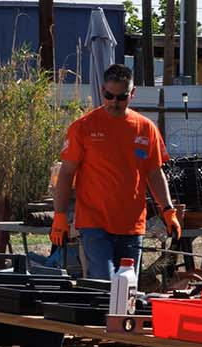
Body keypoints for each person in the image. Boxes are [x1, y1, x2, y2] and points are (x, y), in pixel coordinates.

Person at [50, 63, 179, 280]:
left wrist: (168, 210)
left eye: (121, 97)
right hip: (94, 223)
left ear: (132, 93)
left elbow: (154, 173)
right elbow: (66, 173)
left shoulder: (146, 128)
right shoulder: (83, 127)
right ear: (102, 91)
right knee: (105, 283)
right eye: (109, 96)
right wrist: (60, 215)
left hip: (132, 225)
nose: (114, 102)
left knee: (127, 288)